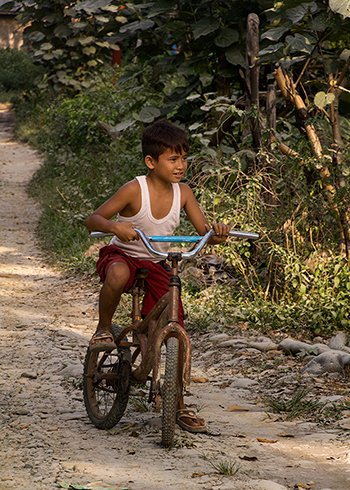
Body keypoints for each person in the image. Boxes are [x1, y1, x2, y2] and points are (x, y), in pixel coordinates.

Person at [85, 119, 230, 433]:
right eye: (173, 159)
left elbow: (204, 232)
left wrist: (216, 234)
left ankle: (176, 404)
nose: (181, 165)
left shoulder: (184, 193)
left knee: (173, 317)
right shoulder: (134, 189)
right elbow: (93, 217)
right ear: (151, 162)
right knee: (119, 273)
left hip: (156, 262)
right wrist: (115, 227)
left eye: (184, 158)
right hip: (123, 254)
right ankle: (103, 327)